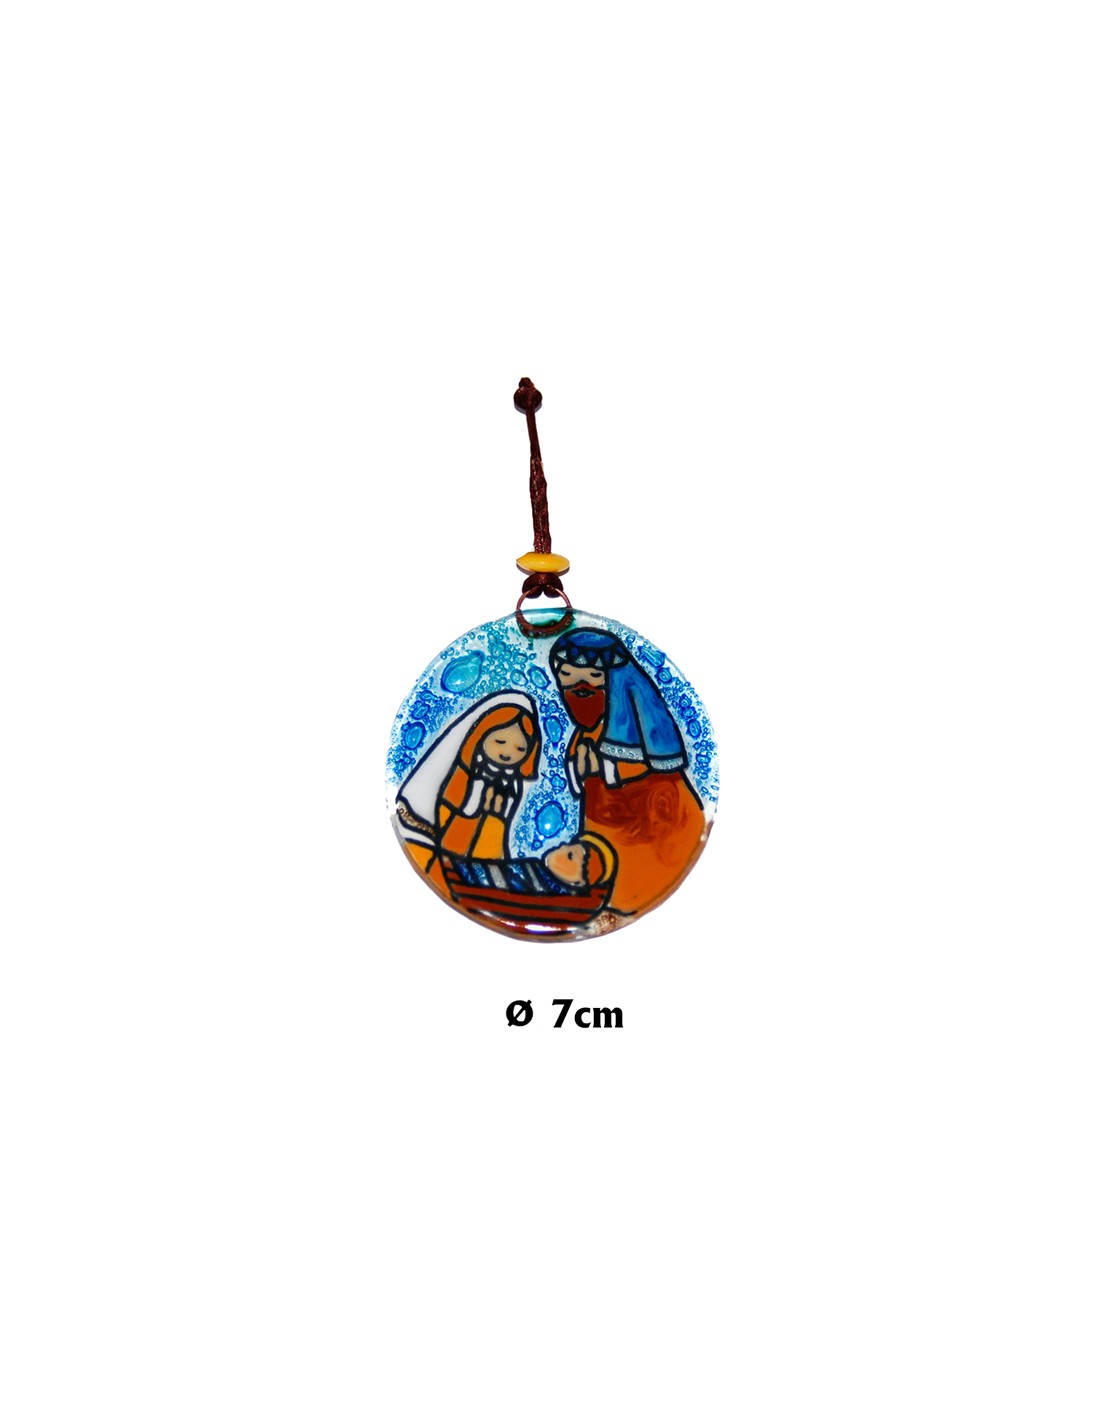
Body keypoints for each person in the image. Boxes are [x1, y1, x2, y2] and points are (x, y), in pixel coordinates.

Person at [549, 629, 704, 914]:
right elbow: (581, 781)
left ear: (615, 681)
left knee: (639, 876)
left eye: (593, 677)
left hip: (656, 830)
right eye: (566, 677)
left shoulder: (642, 730)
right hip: (604, 831)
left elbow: (652, 775)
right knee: (613, 890)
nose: (579, 688)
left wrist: (605, 770)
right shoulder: (582, 735)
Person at [394, 692, 540, 886]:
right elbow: (456, 809)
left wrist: (497, 810)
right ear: (481, 734)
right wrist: (479, 797)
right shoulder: (465, 773)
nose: (507, 753)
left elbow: (501, 826)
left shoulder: (512, 783)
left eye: (520, 749)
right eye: (500, 742)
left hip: (491, 847)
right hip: (455, 839)